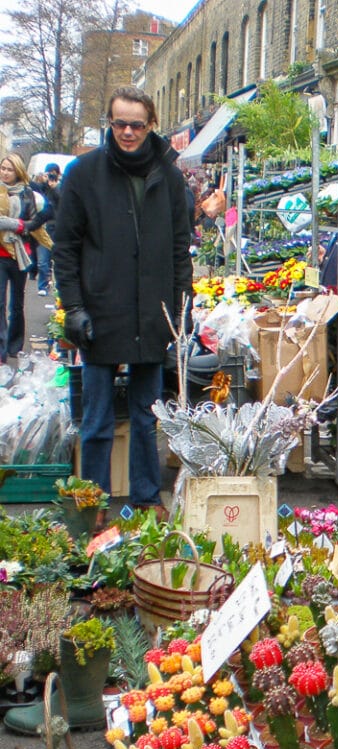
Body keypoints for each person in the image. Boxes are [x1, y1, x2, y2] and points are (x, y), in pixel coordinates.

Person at [52, 86, 193, 513]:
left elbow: (179, 247)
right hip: (101, 310)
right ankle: (90, 505)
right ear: (109, 123)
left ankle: (147, 500)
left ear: (150, 124)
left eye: (136, 124)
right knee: (96, 420)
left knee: (147, 417)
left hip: (151, 313)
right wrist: (73, 307)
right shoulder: (84, 172)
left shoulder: (167, 175)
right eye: (119, 124)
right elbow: (65, 247)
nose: (127, 132)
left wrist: (181, 311)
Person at [0, 154, 46, 364]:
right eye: (3, 168)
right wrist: (19, 225)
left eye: (9, 169)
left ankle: (14, 345)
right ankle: (1, 348)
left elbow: (35, 223)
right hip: (0, 255)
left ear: (17, 171)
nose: (5, 172)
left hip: (20, 255)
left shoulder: (29, 194)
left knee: (17, 304)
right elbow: (22, 224)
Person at [32, 163, 61, 295]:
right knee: (43, 261)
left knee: (59, 260)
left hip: (59, 227)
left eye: (53, 173)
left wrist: (55, 187)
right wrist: (43, 184)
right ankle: (43, 286)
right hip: (45, 226)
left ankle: (58, 288)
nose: (51, 176)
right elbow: (37, 198)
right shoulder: (42, 187)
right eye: (48, 173)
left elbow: (63, 202)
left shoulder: (61, 187)